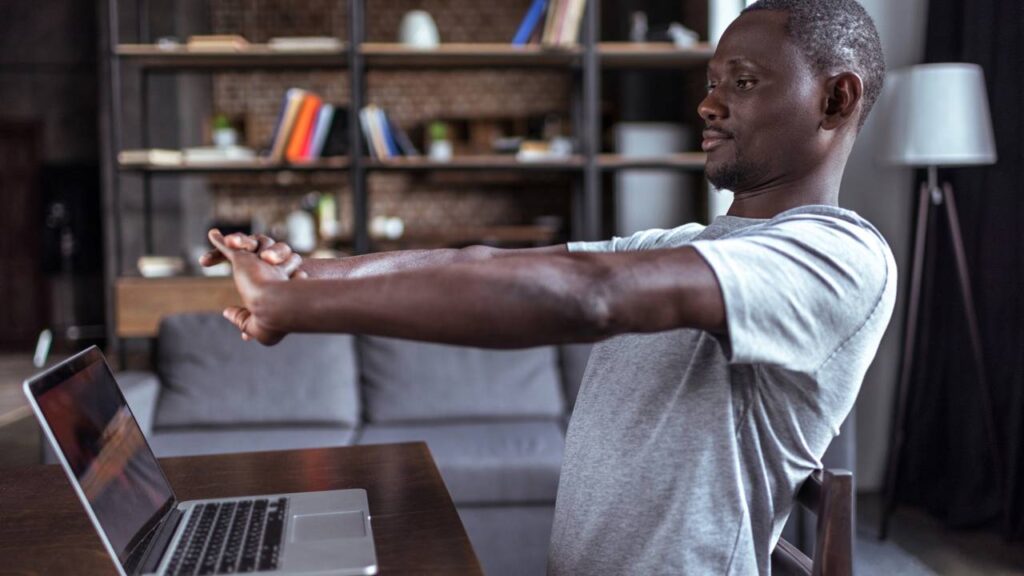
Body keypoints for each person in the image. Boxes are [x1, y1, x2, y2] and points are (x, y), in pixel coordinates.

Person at [201, 0, 895, 572]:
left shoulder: (837, 254)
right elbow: (478, 261)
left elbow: (589, 295)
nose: (709, 104)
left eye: (741, 82)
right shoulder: (681, 245)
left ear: (835, 99)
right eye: (711, 81)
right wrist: (304, 272)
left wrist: (295, 305)